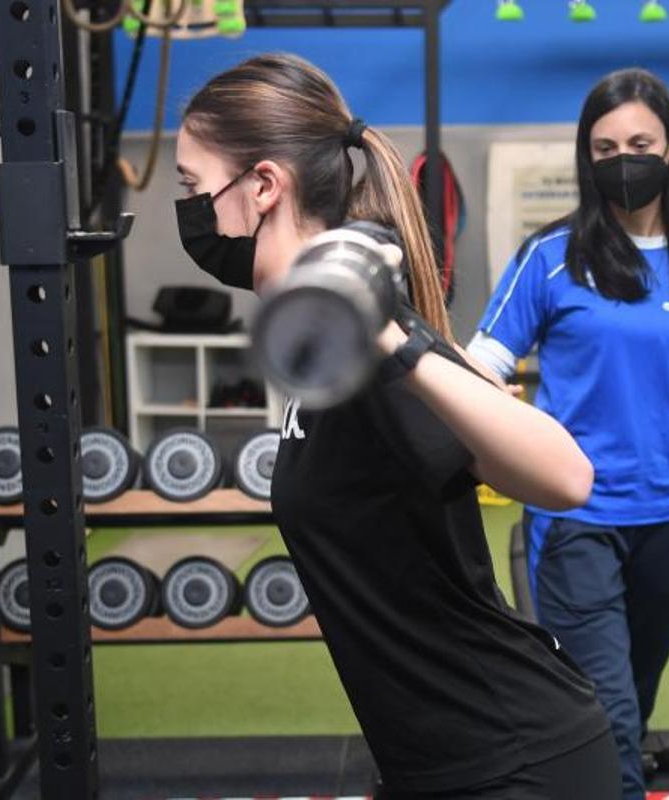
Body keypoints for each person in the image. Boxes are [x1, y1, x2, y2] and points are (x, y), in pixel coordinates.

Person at [172, 53, 621, 799]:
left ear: (262, 187)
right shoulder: (323, 346)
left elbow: (567, 477)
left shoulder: (373, 342)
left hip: (514, 763)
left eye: (193, 188)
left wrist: (393, 337)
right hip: (436, 763)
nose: (189, 211)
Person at [468, 67, 669, 800]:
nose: (622, 159)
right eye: (604, 147)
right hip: (576, 516)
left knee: (633, 697)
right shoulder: (549, 258)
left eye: (639, 142)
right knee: (604, 706)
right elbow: (482, 363)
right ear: (588, 156)